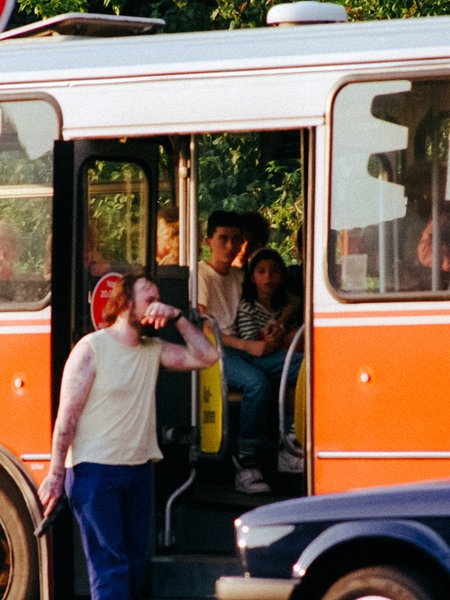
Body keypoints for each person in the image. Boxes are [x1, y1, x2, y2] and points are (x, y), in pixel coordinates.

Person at [38, 272, 218, 600]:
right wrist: (55, 472)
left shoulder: (153, 349)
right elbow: (67, 416)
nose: (158, 305)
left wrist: (177, 318)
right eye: (150, 299)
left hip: (137, 471)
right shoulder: (91, 348)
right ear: (125, 303)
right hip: (95, 471)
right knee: (112, 568)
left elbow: (209, 356)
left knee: (135, 565)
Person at [198, 211, 298, 495]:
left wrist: (277, 326)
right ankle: (247, 461)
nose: (230, 246)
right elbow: (204, 327)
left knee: (303, 365)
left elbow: (289, 300)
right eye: (223, 239)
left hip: (247, 349)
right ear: (209, 241)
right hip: (217, 353)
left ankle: (291, 444)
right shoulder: (201, 275)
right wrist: (247, 345)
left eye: (235, 240)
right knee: (256, 383)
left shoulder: (240, 275)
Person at [236, 248, 304, 472]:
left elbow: (293, 309)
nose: (268, 277)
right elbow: (251, 345)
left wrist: (282, 328)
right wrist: (277, 339)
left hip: (278, 354)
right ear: (252, 276)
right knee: (305, 366)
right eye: (261, 271)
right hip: (254, 358)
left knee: (294, 381)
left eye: (274, 271)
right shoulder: (248, 307)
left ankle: (292, 440)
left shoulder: (284, 303)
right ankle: (289, 443)